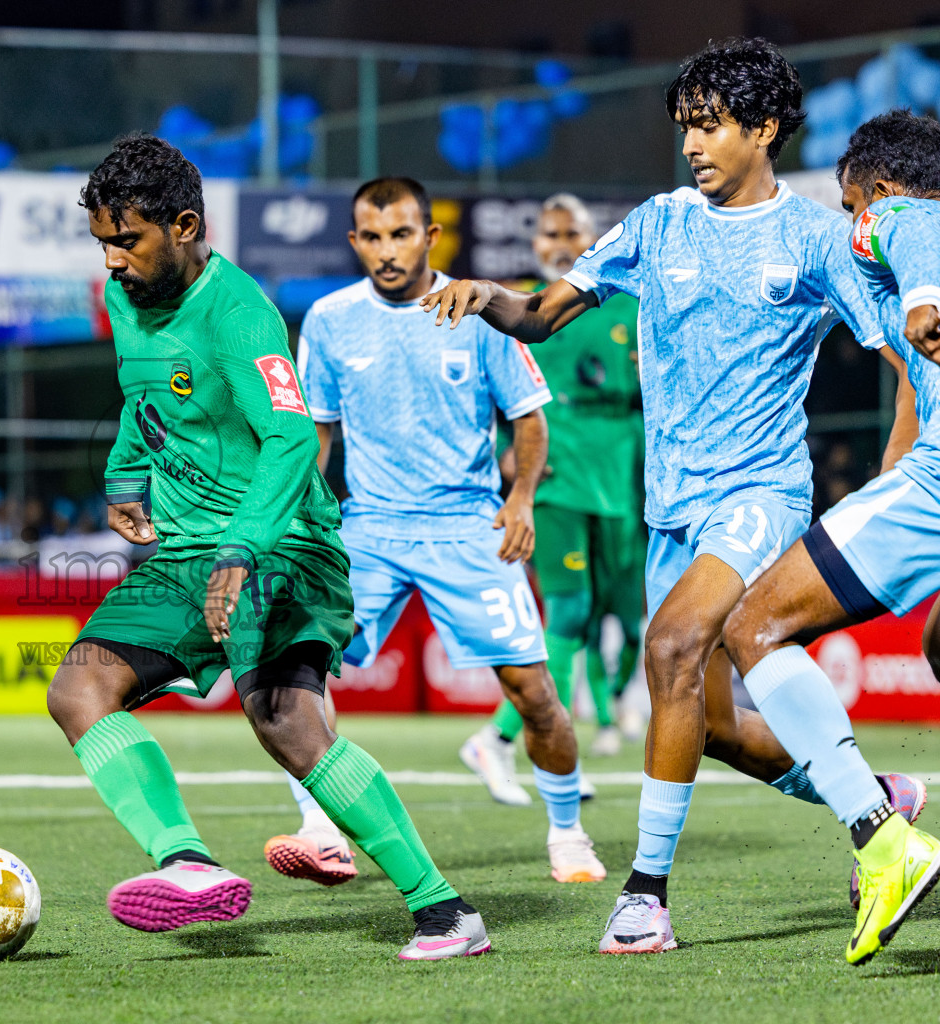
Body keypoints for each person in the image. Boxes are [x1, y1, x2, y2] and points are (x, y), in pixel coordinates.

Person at [421, 38, 923, 954]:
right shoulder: (656, 224)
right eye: (685, 126)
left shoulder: (814, 237)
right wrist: (487, 294)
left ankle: (646, 896)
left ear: (763, 129)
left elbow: (899, 350)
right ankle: (877, 802)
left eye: (712, 125)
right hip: (671, 506)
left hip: (761, 493)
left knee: (674, 641)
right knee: (712, 727)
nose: (693, 144)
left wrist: (900, 467)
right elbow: (543, 311)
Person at [47, 135, 490, 961]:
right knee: (79, 690)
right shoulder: (127, 299)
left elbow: (290, 436)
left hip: (285, 539)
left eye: (128, 241)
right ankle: (183, 864)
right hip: (188, 551)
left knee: (283, 719)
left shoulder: (239, 311)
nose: (112, 261)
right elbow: (142, 398)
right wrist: (122, 477)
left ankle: (444, 912)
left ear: (184, 225)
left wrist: (241, 550)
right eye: (103, 241)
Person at [267, 175, 604, 889]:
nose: (388, 251)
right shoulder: (329, 319)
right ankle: (321, 826)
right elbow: (317, 433)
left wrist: (521, 500)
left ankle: (568, 831)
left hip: (466, 529)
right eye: (373, 236)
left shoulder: (477, 309)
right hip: (371, 527)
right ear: (355, 241)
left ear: (430, 236)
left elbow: (530, 417)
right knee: (296, 665)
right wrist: (305, 513)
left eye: (402, 233)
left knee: (535, 692)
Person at [721, 109, 940, 966]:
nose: (853, 219)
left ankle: (885, 841)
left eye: (851, 203)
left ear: (875, 189)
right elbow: (912, 393)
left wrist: (925, 309)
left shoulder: (897, 215)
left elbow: (915, 259)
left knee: (753, 626)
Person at [460, 193, 646, 809]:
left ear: (591, 239)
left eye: (572, 231)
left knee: (599, 614)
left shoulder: (620, 304)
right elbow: (491, 393)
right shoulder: (520, 310)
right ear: (535, 242)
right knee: (568, 612)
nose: (559, 240)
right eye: (549, 231)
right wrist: (507, 459)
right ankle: (517, 741)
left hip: (616, 479)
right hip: (556, 476)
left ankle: (524, 738)